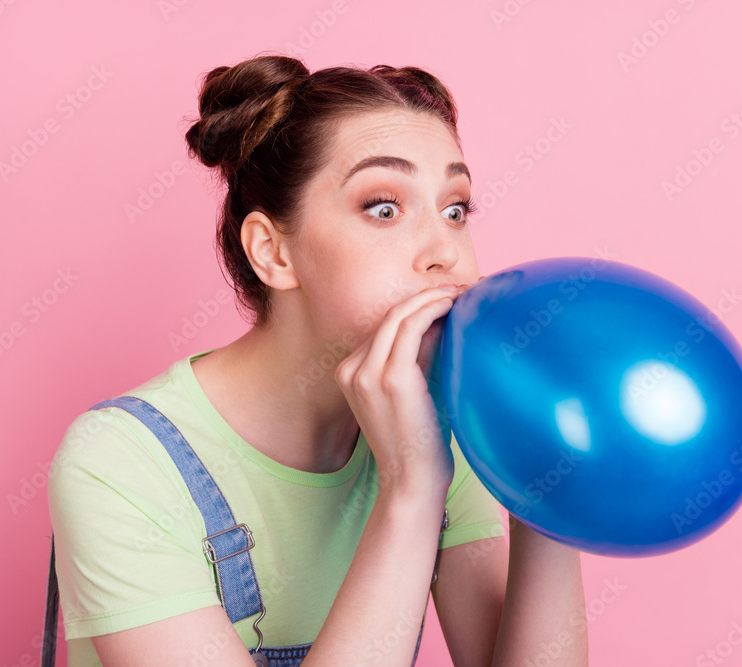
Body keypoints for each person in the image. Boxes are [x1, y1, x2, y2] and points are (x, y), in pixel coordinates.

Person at [47, 53, 587, 666]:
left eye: (455, 209)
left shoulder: (448, 428)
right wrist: (410, 490)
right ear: (273, 253)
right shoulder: (120, 463)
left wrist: (546, 499)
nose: (446, 253)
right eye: (384, 207)